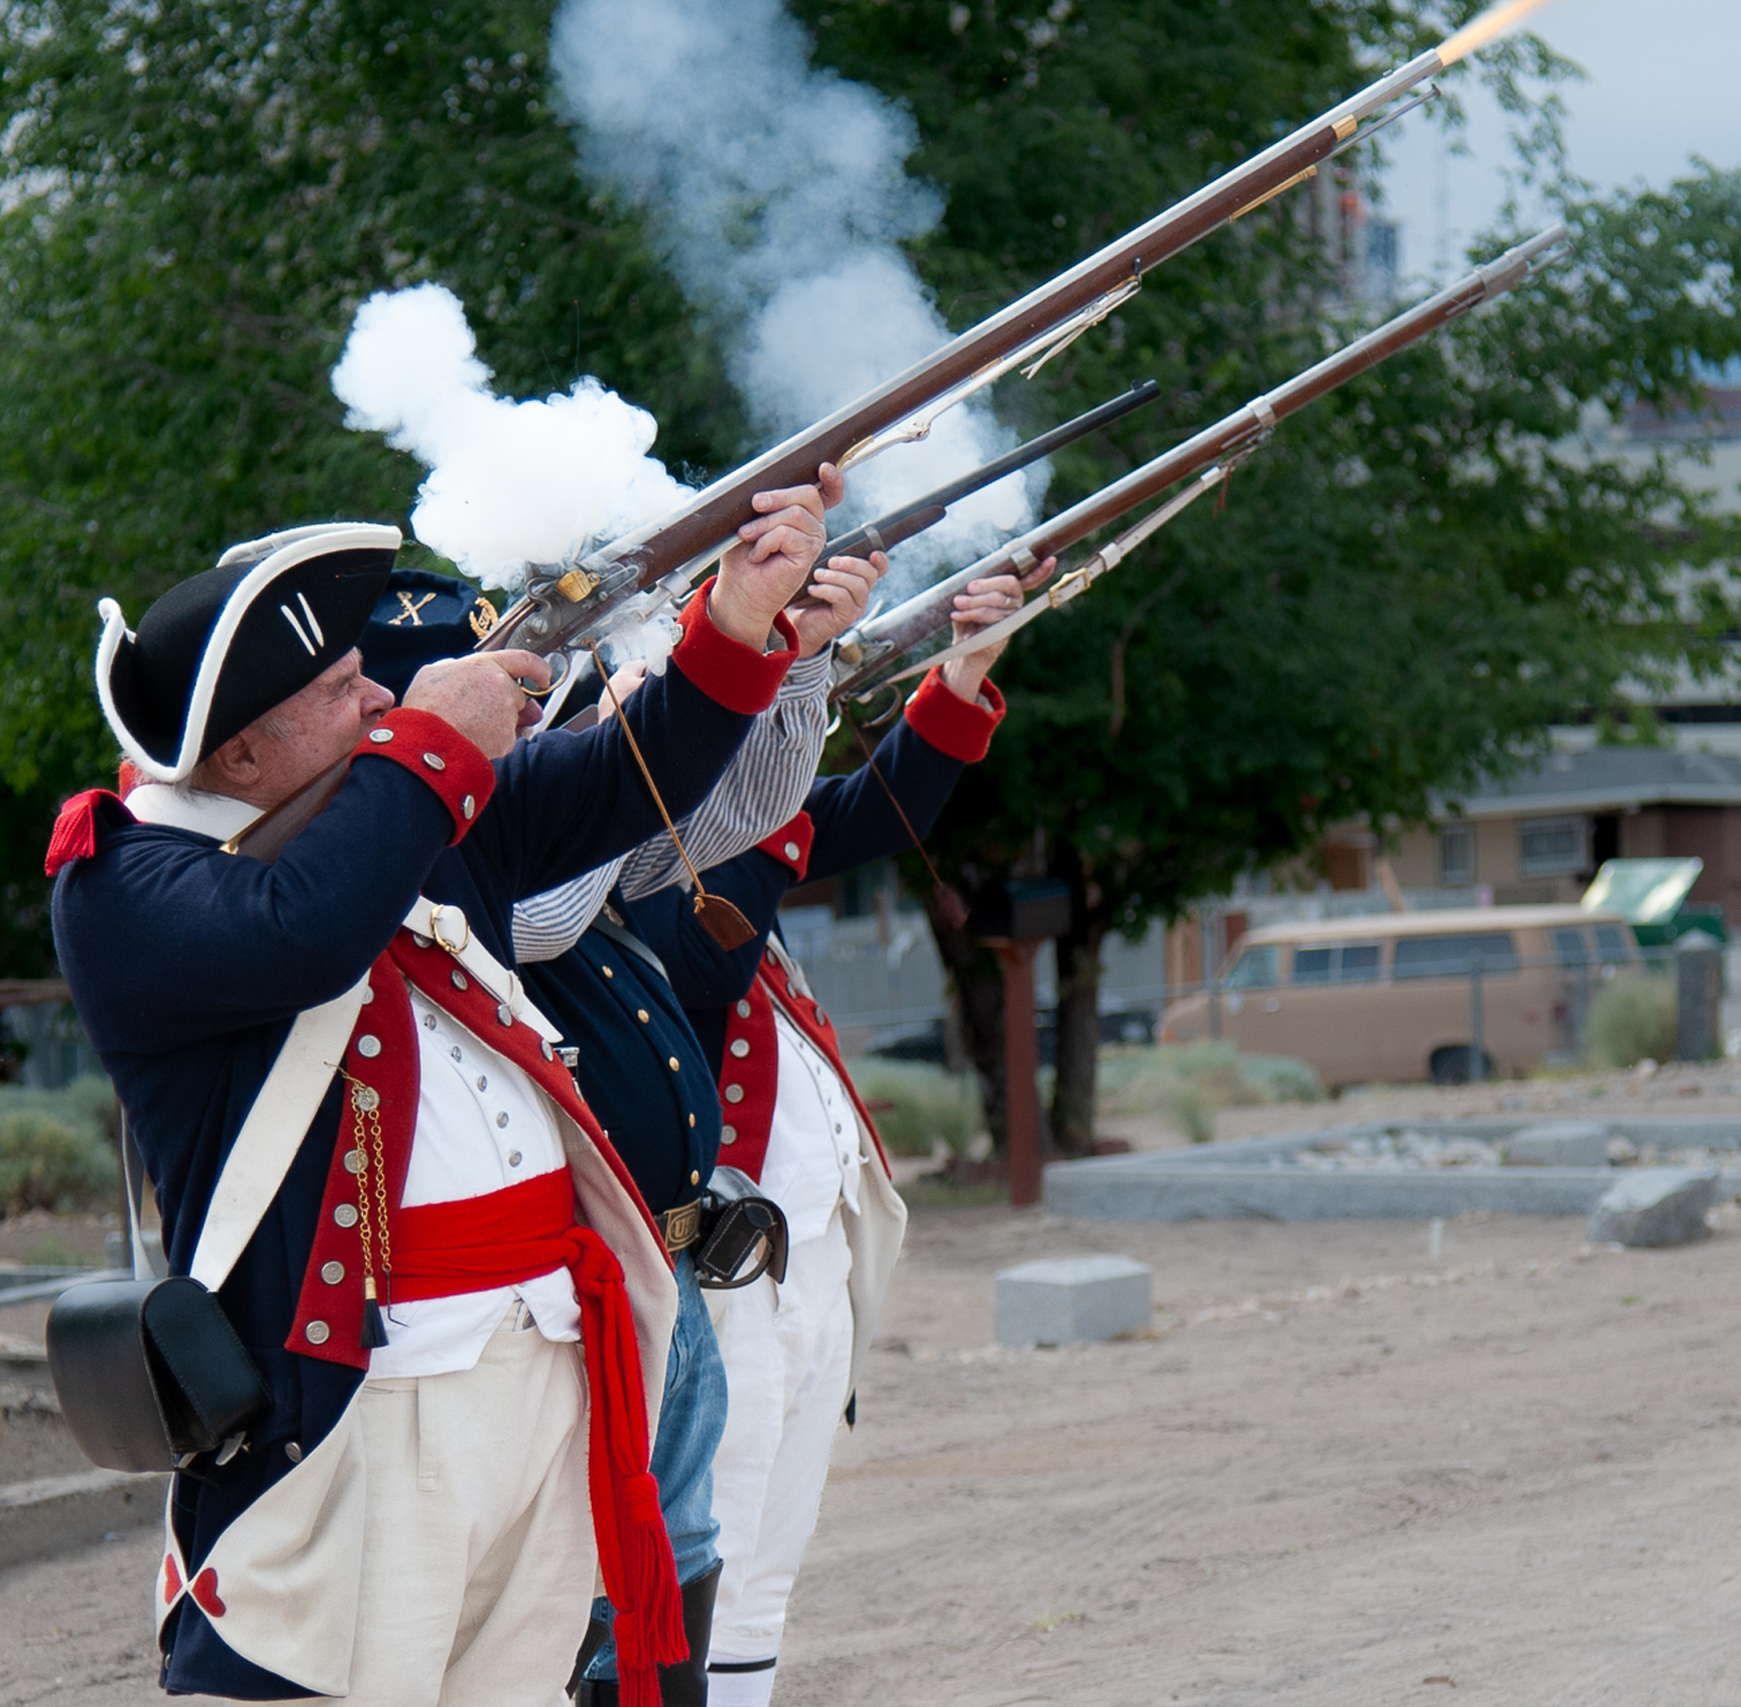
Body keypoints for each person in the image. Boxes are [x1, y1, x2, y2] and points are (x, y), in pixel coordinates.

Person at [47, 474, 828, 1707]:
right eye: (339, 692)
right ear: (240, 751)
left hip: (538, 1363)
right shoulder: (125, 886)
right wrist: (429, 742)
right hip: (359, 1404)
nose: (379, 698)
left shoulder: (398, 813)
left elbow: (639, 778)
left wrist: (735, 622)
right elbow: (299, 936)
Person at [506, 532, 897, 1707]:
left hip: (678, 1263)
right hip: (604, 1279)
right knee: (582, 1594)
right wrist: (654, 725)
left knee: (689, 1567)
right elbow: (555, 909)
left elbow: (749, 814)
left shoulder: (577, 841)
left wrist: (800, 657)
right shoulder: (485, 859)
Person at [626, 582, 1017, 1707]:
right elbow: (707, 953)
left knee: (768, 1569)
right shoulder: (627, 855)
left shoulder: (734, 833)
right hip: (723, 1264)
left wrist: (956, 671)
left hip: (806, 1253)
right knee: (715, 1551)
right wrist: (783, 730)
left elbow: (874, 816)